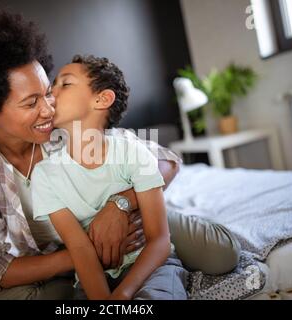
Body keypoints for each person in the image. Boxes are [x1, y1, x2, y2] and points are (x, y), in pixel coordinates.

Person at [0, 8, 240, 300]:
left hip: (133, 226)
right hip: (63, 256)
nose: (48, 109)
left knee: (221, 254)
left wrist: (120, 206)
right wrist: (84, 253)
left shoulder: (67, 124)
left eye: (47, 92)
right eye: (30, 103)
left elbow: (166, 162)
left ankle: (161, 261)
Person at [30, 55, 188, 300]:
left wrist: (123, 295)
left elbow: (159, 240)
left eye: (66, 84)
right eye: (52, 86)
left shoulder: (131, 151)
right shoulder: (45, 175)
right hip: (94, 278)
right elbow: (80, 249)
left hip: (150, 267)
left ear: (101, 99)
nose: (51, 93)